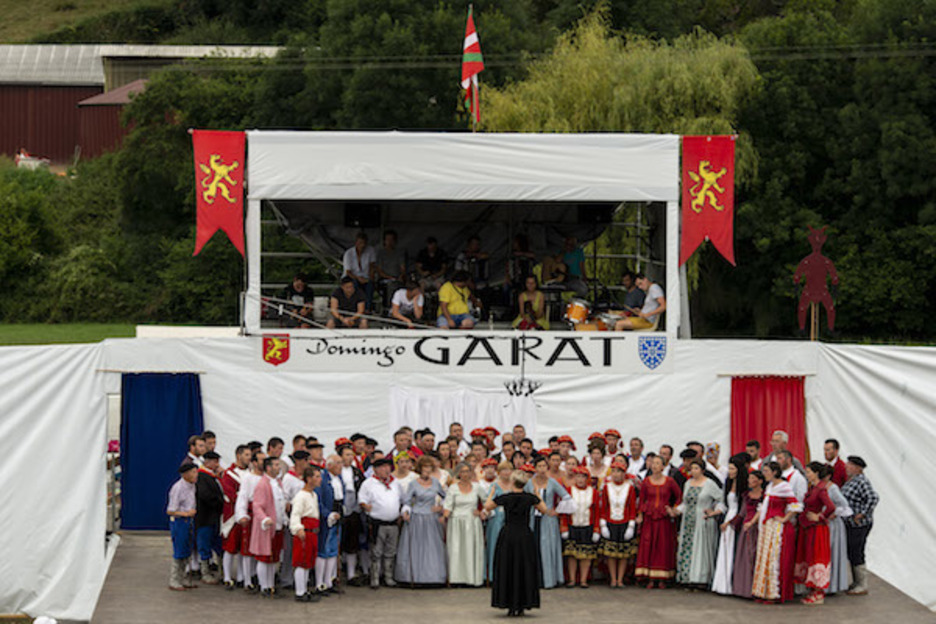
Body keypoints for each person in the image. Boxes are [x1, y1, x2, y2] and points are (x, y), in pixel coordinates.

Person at [487, 470, 547, 617]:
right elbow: (544, 509)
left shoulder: (506, 497)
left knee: (508, 567)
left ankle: (509, 604)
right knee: (524, 567)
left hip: (508, 535)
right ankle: (522, 604)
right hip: (524, 535)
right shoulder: (529, 498)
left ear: (513, 481)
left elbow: (488, 506)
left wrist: (492, 493)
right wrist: (537, 494)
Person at [751, 461, 802, 603]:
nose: (764, 474)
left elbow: (795, 505)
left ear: (774, 472)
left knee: (774, 559)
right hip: (767, 526)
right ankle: (763, 592)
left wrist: (784, 518)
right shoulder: (770, 486)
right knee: (765, 558)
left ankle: (774, 594)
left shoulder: (784, 486)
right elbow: (764, 507)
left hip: (777, 528)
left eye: (766, 471)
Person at [395, 456, 447, 585]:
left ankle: (433, 577)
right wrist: (406, 512)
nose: (427, 470)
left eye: (429, 468)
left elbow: (446, 497)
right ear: (420, 469)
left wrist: (440, 507)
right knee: (416, 548)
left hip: (432, 518)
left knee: (432, 547)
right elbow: (407, 502)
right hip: (417, 518)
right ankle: (414, 577)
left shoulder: (436, 483)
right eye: (425, 468)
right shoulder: (413, 484)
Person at [634, 454, 683, 588]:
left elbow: (679, 497)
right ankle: (649, 577)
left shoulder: (670, 481)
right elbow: (642, 500)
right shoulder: (646, 481)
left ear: (663, 466)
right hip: (649, 518)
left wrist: (673, 510)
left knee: (662, 546)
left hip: (664, 519)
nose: (654, 466)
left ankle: (662, 577)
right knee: (648, 545)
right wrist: (640, 515)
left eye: (657, 463)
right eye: (653, 463)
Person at [674, 458, 723, 587]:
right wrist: (676, 511)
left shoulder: (709, 484)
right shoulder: (688, 483)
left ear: (702, 470)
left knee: (700, 549)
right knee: (688, 547)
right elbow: (685, 503)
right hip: (688, 520)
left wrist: (714, 511)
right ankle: (686, 577)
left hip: (702, 520)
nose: (693, 471)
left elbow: (721, 499)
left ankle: (700, 578)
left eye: (696, 468)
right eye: (692, 468)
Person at [525, 455, 572, 589]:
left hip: (548, 520)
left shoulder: (552, 482)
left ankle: (549, 579)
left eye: (544, 466)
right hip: (533, 519)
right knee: (534, 548)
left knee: (548, 548)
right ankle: (534, 580)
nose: (542, 469)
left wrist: (557, 511)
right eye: (539, 466)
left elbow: (566, 497)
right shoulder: (529, 483)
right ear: (535, 468)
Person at [358, 456, 404, 590]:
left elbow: (403, 500)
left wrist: (403, 511)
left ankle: (388, 577)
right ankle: (375, 578)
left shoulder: (395, 483)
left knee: (391, 551)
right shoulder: (368, 483)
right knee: (376, 551)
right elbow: (361, 499)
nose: (386, 470)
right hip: (377, 523)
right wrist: (365, 506)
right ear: (375, 469)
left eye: (388, 467)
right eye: (382, 467)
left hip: (393, 522)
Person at [794, 461, 837, 605]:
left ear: (816, 473)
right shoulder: (813, 487)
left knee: (817, 556)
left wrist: (820, 517)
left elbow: (831, 507)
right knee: (810, 556)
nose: (807, 475)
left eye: (809, 472)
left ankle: (819, 592)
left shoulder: (821, 489)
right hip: (808, 527)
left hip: (817, 528)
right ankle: (814, 589)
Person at [841, 455, 879, 596]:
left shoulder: (862, 481)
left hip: (859, 524)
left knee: (857, 551)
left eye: (850, 465)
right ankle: (856, 582)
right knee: (852, 551)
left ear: (858, 468)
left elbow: (873, 497)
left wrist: (862, 513)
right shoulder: (852, 480)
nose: (846, 466)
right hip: (851, 523)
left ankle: (862, 585)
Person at [595, 460, 638, 587]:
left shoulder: (630, 488)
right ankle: (613, 579)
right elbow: (604, 506)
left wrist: (631, 525)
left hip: (625, 523)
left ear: (624, 473)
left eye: (618, 471)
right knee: (611, 554)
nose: (615, 474)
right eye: (613, 471)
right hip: (610, 523)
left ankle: (620, 579)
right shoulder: (607, 487)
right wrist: (603, 524)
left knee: (624, 554)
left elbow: (632, 507)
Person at [711, 454, 749, 594]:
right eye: (729, 468)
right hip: (728, 515)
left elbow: (743, 507)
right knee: (725, 548)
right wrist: (715, 512)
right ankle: (722, 584)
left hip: (737, 517)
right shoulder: (727, 483)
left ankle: (732, 583)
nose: (730, 471)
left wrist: (731, 521)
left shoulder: (744, 486)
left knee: (734, 547)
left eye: (733, 469)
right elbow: (724, 503)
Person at [444, 462, 486, 586]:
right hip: (456, 522)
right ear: (458, 473)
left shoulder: (477, 487)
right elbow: (447, 506)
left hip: (472, 522)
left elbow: (487, 502)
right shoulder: (453, 488)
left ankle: (472, 579)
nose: (465, 474)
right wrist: (444, 516)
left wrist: (482, 512)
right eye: (462, 471)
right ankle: (456, 579)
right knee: (456, 550)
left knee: (471, 550)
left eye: (467, 471)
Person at [250, 457, 287, 598]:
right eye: (276, 465)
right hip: (266, 527)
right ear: (269, 468)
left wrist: (284, 518)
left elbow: (281, 503)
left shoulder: (278, 482)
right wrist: (264, 519)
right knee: (264, 557)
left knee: (273, 558)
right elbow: (257, 506)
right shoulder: (262, 484)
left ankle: (271, 585)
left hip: (278, 525)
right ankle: (264, 586)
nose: (279, 467)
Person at [562, 466, 600, 588]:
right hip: (572, 526)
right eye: (577, 476)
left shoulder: (593, 492)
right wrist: (564, 527)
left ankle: (583, 580)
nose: (580, 479)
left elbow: (597, 512)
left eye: (583, 477)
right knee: (572, 554)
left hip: (587, 526)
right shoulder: (569, 491)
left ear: (587, 479)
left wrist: (596, 529)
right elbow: (564, 511)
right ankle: (572, 579)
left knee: (586, 555)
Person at [219, 445, 251, 589]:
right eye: (246, 455)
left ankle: (241, 576)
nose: (249, 458)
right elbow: (231, 495)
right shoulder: (228, 474)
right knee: (230, 547)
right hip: (232, 516)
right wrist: (246, 498)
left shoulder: (251, 473)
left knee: (244, 547)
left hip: (246, 514)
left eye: (250, 455)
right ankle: (227, 577)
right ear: (238, 456)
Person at [290, 466, 323, 602]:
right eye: (317, 477)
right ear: (309, 479)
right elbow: (295, 514)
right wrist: (298, 528)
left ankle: (304, 589)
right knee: (301, 561)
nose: (320, 479)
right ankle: (300, 591)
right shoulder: (301, 496)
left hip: (313, 531)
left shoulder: (313, 495)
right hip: (305, 531)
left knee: (308, 561)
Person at [234, 450, 264, 592]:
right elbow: (243, 497)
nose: (264, 462)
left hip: (264, 516)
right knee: (248, 549)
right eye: (261, 460)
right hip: (252, 515)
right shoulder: (248, 478)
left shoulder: (267, 477)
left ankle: (257, 576)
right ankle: (247, 580)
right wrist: (242, 514)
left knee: (260, 548)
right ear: (254, 462)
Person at [732, 470, 766, 599]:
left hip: (759, 528)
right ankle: (744, 588)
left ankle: (757, 588)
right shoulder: (747, 495)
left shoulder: (765, 495)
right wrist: (732, 523)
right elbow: (742, 512)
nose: (749, 481)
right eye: (749, 478)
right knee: (745, 556)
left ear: (760, 481)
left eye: (752, 478)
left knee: (757, 556)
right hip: (746, 528)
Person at [314, 455, 344, 596]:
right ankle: (319, 583)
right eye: (338, 463)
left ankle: (329, 581)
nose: (341, 466)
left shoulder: (339, 479)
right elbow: (318, 500)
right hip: (326, 519)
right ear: (330, 465)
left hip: (338, 516)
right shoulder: (323, 479)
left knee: (333, 550)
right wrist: (327, 514)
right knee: (323, 550)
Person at [821, 464, 853, 595]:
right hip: (823, 523)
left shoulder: (833, 488)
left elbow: (845, 505)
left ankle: (831, 585)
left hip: (833, 525)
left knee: (832, 553)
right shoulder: (819, 486)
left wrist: (834, 512)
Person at [167, 463, 199, 591]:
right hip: (180, 521)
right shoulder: (178, 488)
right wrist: (186, 513)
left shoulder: (192, 486)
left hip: (189, 521)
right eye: (193, 472)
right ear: (185, 474)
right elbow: (170, 510)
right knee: (179, 551)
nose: (196, 475)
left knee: (187, 551)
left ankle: (184, 578)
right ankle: (174, 580)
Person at [194, 451, 224, 585]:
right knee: (204, 545)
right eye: (215, 461)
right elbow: (205, 496)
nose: (217, 464)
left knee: (218, 544)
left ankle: (222, 571)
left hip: (214, 517)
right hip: (205, 517)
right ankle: (205, 572)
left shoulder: (213, 476)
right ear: (207, 462)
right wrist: (220, 502)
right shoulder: (201, 476)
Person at [483, 461, 513, 583]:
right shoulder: (494, 485)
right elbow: (489, 502)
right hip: (496, 519)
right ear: (499, 472)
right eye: (503, 470)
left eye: (508, 470)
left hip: (510, 519)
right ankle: (493, 575)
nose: (506, 473)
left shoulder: (514, 485)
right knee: (494, 546)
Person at [342, 231, 377, 312]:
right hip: (351, 277)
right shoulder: (349, 253)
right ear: (356, 243)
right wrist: (358, 278)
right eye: (360, 243)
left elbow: (372, 266)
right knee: (355, 284)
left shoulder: (370, 250)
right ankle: (356, 307)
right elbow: (348, 272)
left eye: (364, 243)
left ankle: (367, 309)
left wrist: (371, 277)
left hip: (365, 276)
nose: (362, 245)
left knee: (370, 285)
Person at [374, 230, 406, 305]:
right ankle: (390, 307)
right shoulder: (381, 253)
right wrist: (390, 277)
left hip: (398, 278)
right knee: (391, 286)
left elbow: (402, 268)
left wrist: (402, 275)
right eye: (388, 240)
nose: (390, 242)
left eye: (391, 240)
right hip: (384, 279)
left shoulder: (399, 253)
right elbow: (379, 271)